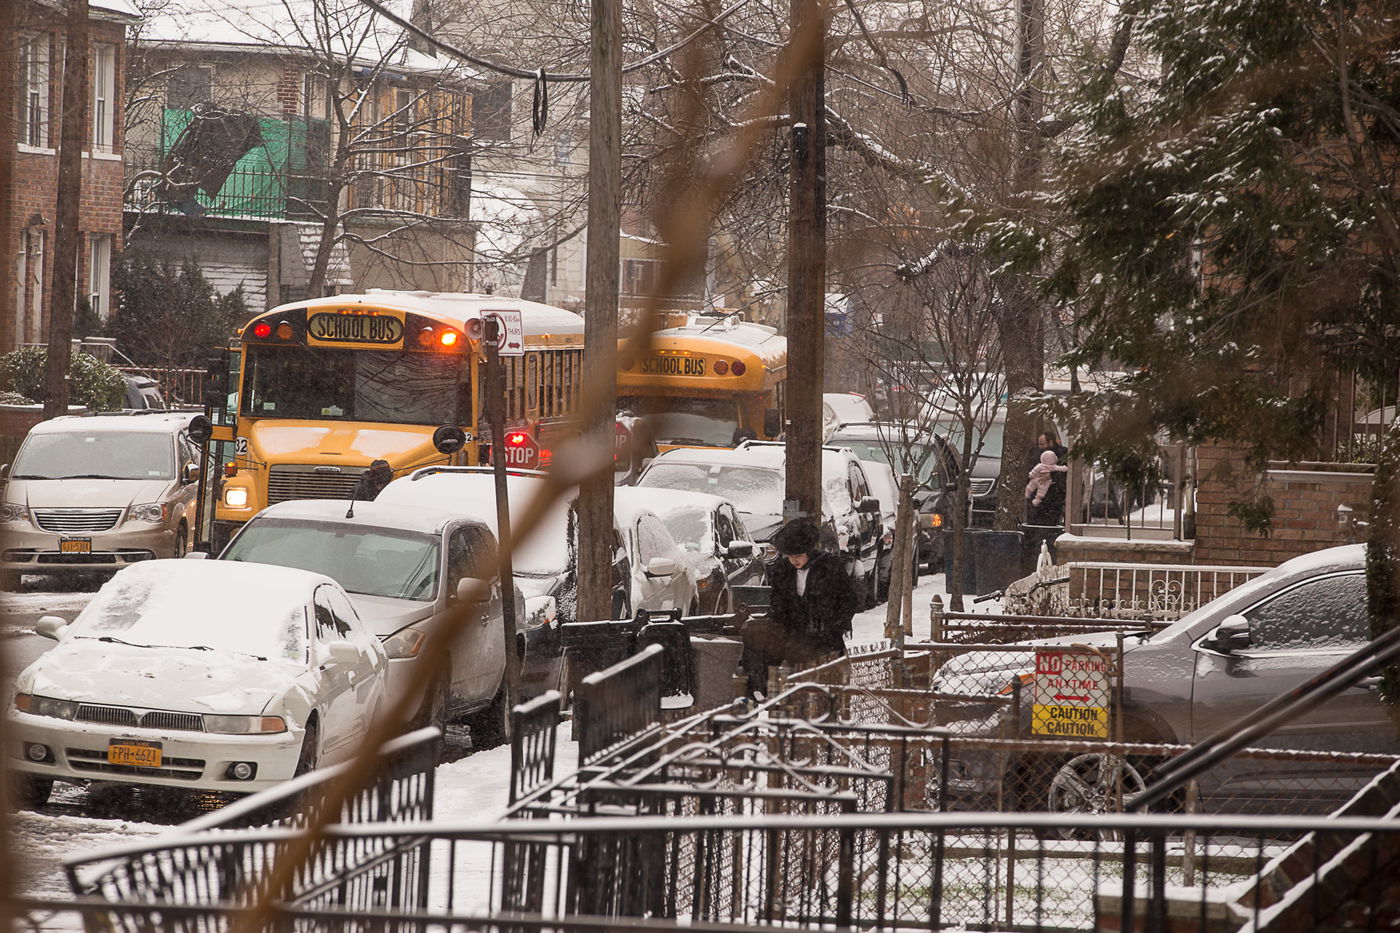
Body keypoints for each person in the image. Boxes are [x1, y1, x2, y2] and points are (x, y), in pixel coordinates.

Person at [762, 518, 862, 668]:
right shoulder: (783, 570)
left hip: (826, 638)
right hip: (795, 639)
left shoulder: (829, 566)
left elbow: (849, 598)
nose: (794, 560)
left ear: (808, 552)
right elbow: (777, 602)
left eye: (798, 556)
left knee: (827, 681)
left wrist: (836, 625)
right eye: (790, 556)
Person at [1025, 449, 1068, 524]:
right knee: (1039, 490)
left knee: (1035, 488)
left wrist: (1051, 475)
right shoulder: (1036, 457)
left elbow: (1063, 472)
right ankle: (1035, 498)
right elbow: (1062, 469)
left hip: (1051, 499)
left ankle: (1033, 496)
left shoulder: (1061, 454)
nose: (1040, 446)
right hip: (1044, 493)